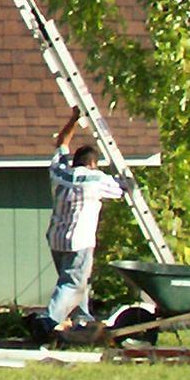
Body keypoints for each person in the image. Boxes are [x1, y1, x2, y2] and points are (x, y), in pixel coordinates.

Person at [40, 108, 130, 334]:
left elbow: (61, 143)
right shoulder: (96, 178)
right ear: (92, 163)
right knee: (72, 284)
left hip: (56, 239)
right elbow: (123, 188)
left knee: (78, 282)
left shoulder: (59, 173)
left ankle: (83, 321)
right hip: (80, 241)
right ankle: (48, 320)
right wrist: (124, 178)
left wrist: (73, 119)